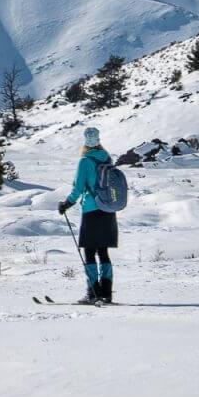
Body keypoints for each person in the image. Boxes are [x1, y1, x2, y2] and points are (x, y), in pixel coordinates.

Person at [58, 127, 118, 304]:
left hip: (91, 210)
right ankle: (106, 293)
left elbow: (78, 188)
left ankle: (92, 293)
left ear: (85, 142)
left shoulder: (84, 161)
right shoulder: (107, 158)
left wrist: (66, 204)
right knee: (103, 252)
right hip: (108, 209)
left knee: (90, 252)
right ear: (99, 141)